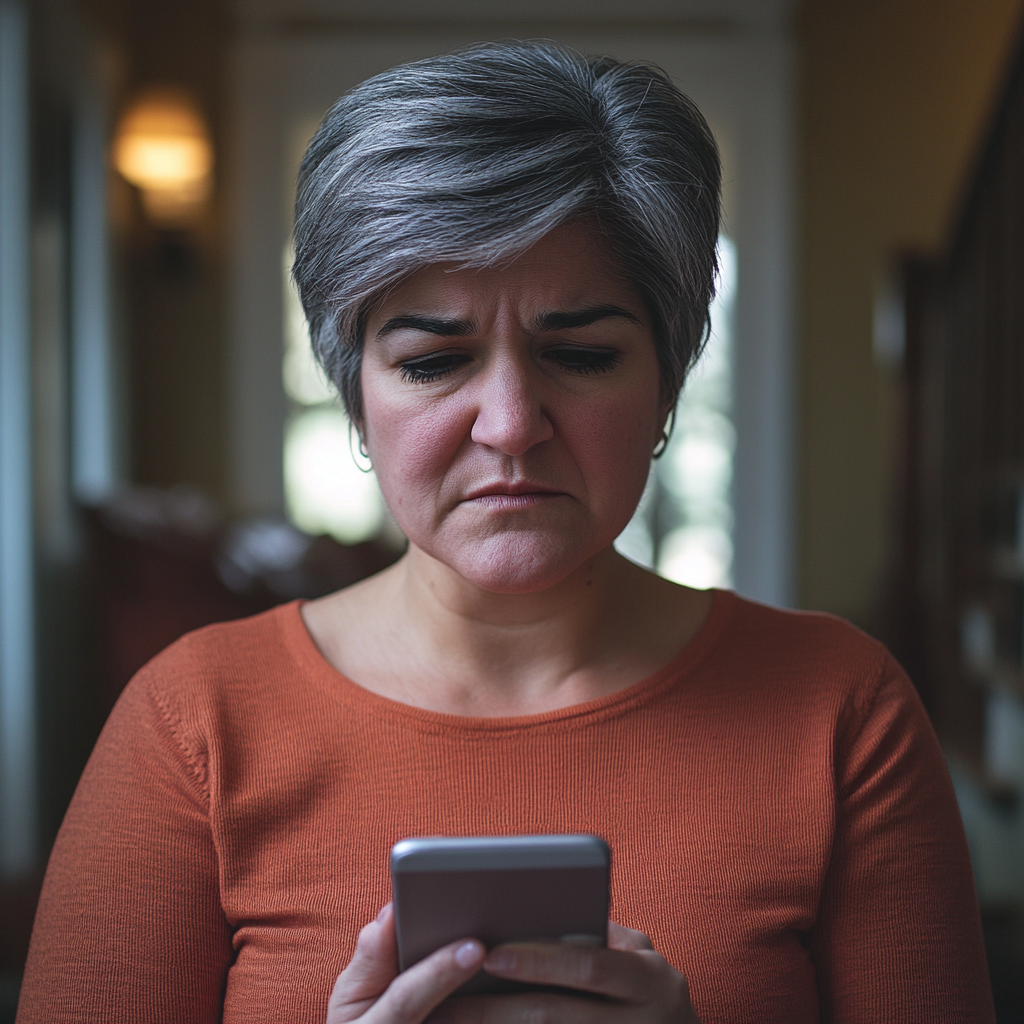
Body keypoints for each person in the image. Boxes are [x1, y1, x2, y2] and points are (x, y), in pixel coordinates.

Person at [18, 41, 994, 1024]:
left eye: (579, 352)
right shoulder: (194, 726)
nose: (511, 422)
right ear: (356, 395)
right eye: (434, 361)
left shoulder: (841, 714)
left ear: (666, 379)